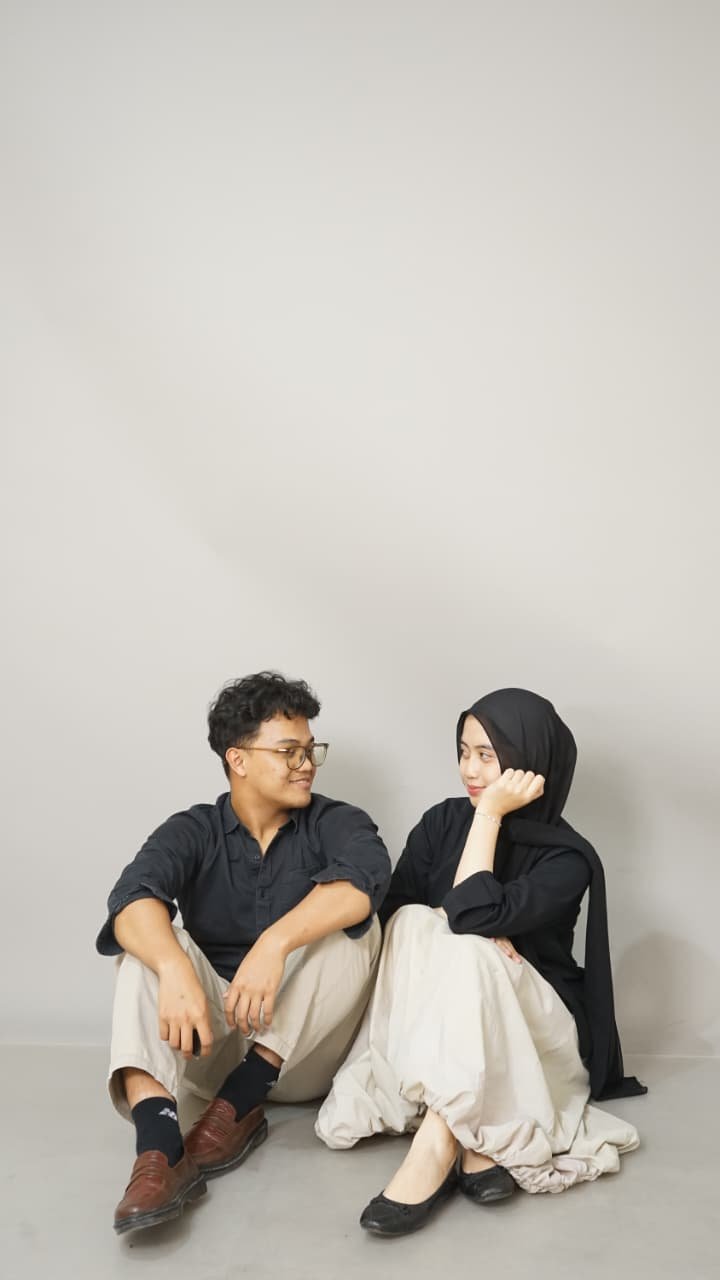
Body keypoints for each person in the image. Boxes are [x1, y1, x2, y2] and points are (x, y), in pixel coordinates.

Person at [316, 688, 646, 1236]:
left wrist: (489, 814)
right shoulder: (441, 822)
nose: (470, 770)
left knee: (467, 942)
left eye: (488, 756)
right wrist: (455, 923)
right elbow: (396, 923)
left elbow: (471, 913)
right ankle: (471, 1139)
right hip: (440, 1017)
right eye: (464, 752)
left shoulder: (567, 857)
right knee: (423, 924)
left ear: (530, 761)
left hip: (535, 1030)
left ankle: (434, 1146)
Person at [97, 671, 391, 1235]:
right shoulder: (193, 829)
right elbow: (130, 899)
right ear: (238, 759)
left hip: (300, 1058)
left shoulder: (336, 821)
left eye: (310, 750)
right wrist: (173, 967)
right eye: (288, 751)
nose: (306, 764)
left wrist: (275, 944)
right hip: (211, 1043)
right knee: (143, 946)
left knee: (358, 922)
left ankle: (243, 1101)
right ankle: (159, 1151)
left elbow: (364, 878)